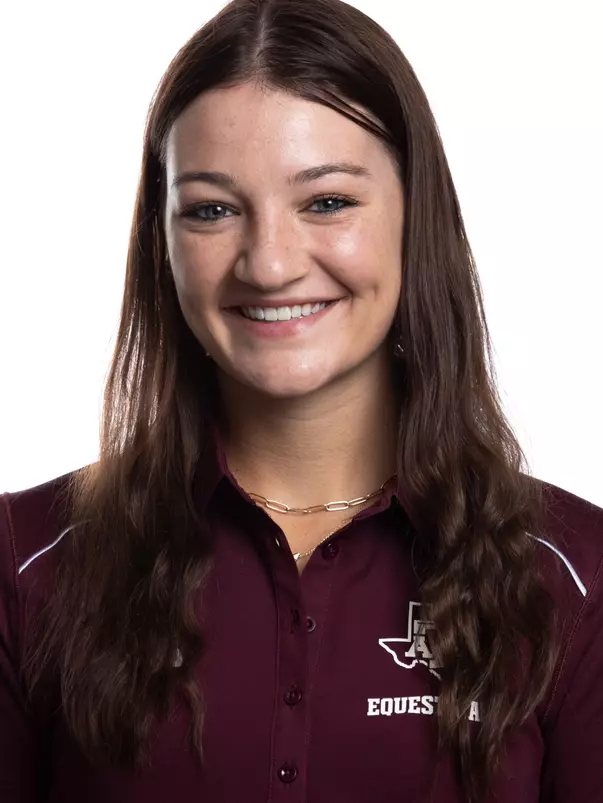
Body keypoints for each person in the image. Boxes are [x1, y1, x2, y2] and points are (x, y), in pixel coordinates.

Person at [1, 0, 602, 800]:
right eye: (212, 209)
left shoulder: (573, 577)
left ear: (414, 216)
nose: (270, 263)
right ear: (163, 241)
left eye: (326, 202)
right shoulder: (27, 562)